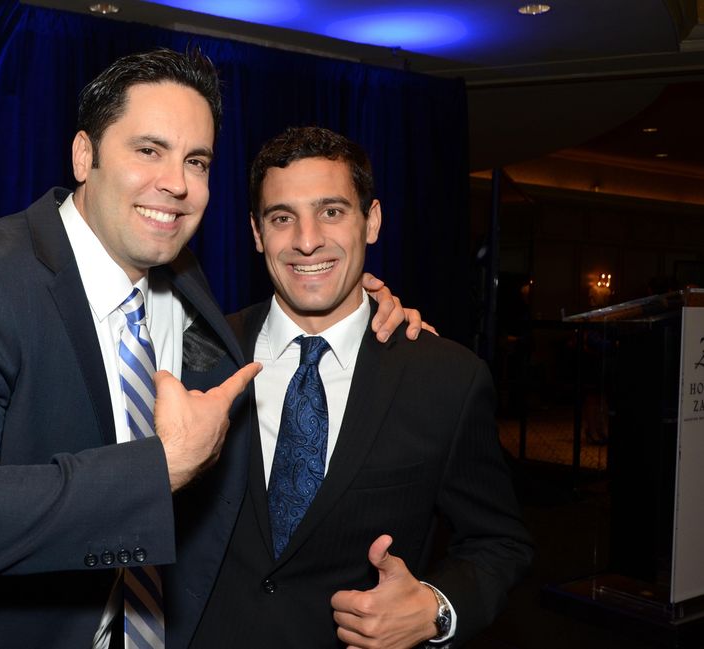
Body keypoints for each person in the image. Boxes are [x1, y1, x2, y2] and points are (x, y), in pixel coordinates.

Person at [0, 51, 417, 649]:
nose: (176, 182)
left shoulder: (185, 283)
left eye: (196, 160)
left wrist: (361, 307)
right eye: (149, 150)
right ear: (84, 154)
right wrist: (160, 469)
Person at [191, 127, 533, 648]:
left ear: (371, 220)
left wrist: (437, 610)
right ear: (257, 233)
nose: (307, 241)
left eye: (332, 212)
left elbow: (499, 542)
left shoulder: (444, 378)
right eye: (282, 218)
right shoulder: (200, 353)